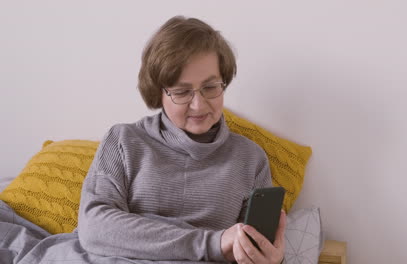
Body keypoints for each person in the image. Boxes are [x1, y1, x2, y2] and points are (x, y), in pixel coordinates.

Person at [77, 16, 286, 264]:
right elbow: (95, 227)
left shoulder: (250, 159)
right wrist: (212, 243)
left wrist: (270, 258)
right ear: (159, 92)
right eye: (181, 91)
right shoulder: (123, 141)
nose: (198, 105)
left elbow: (249, 247)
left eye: (210, 87)